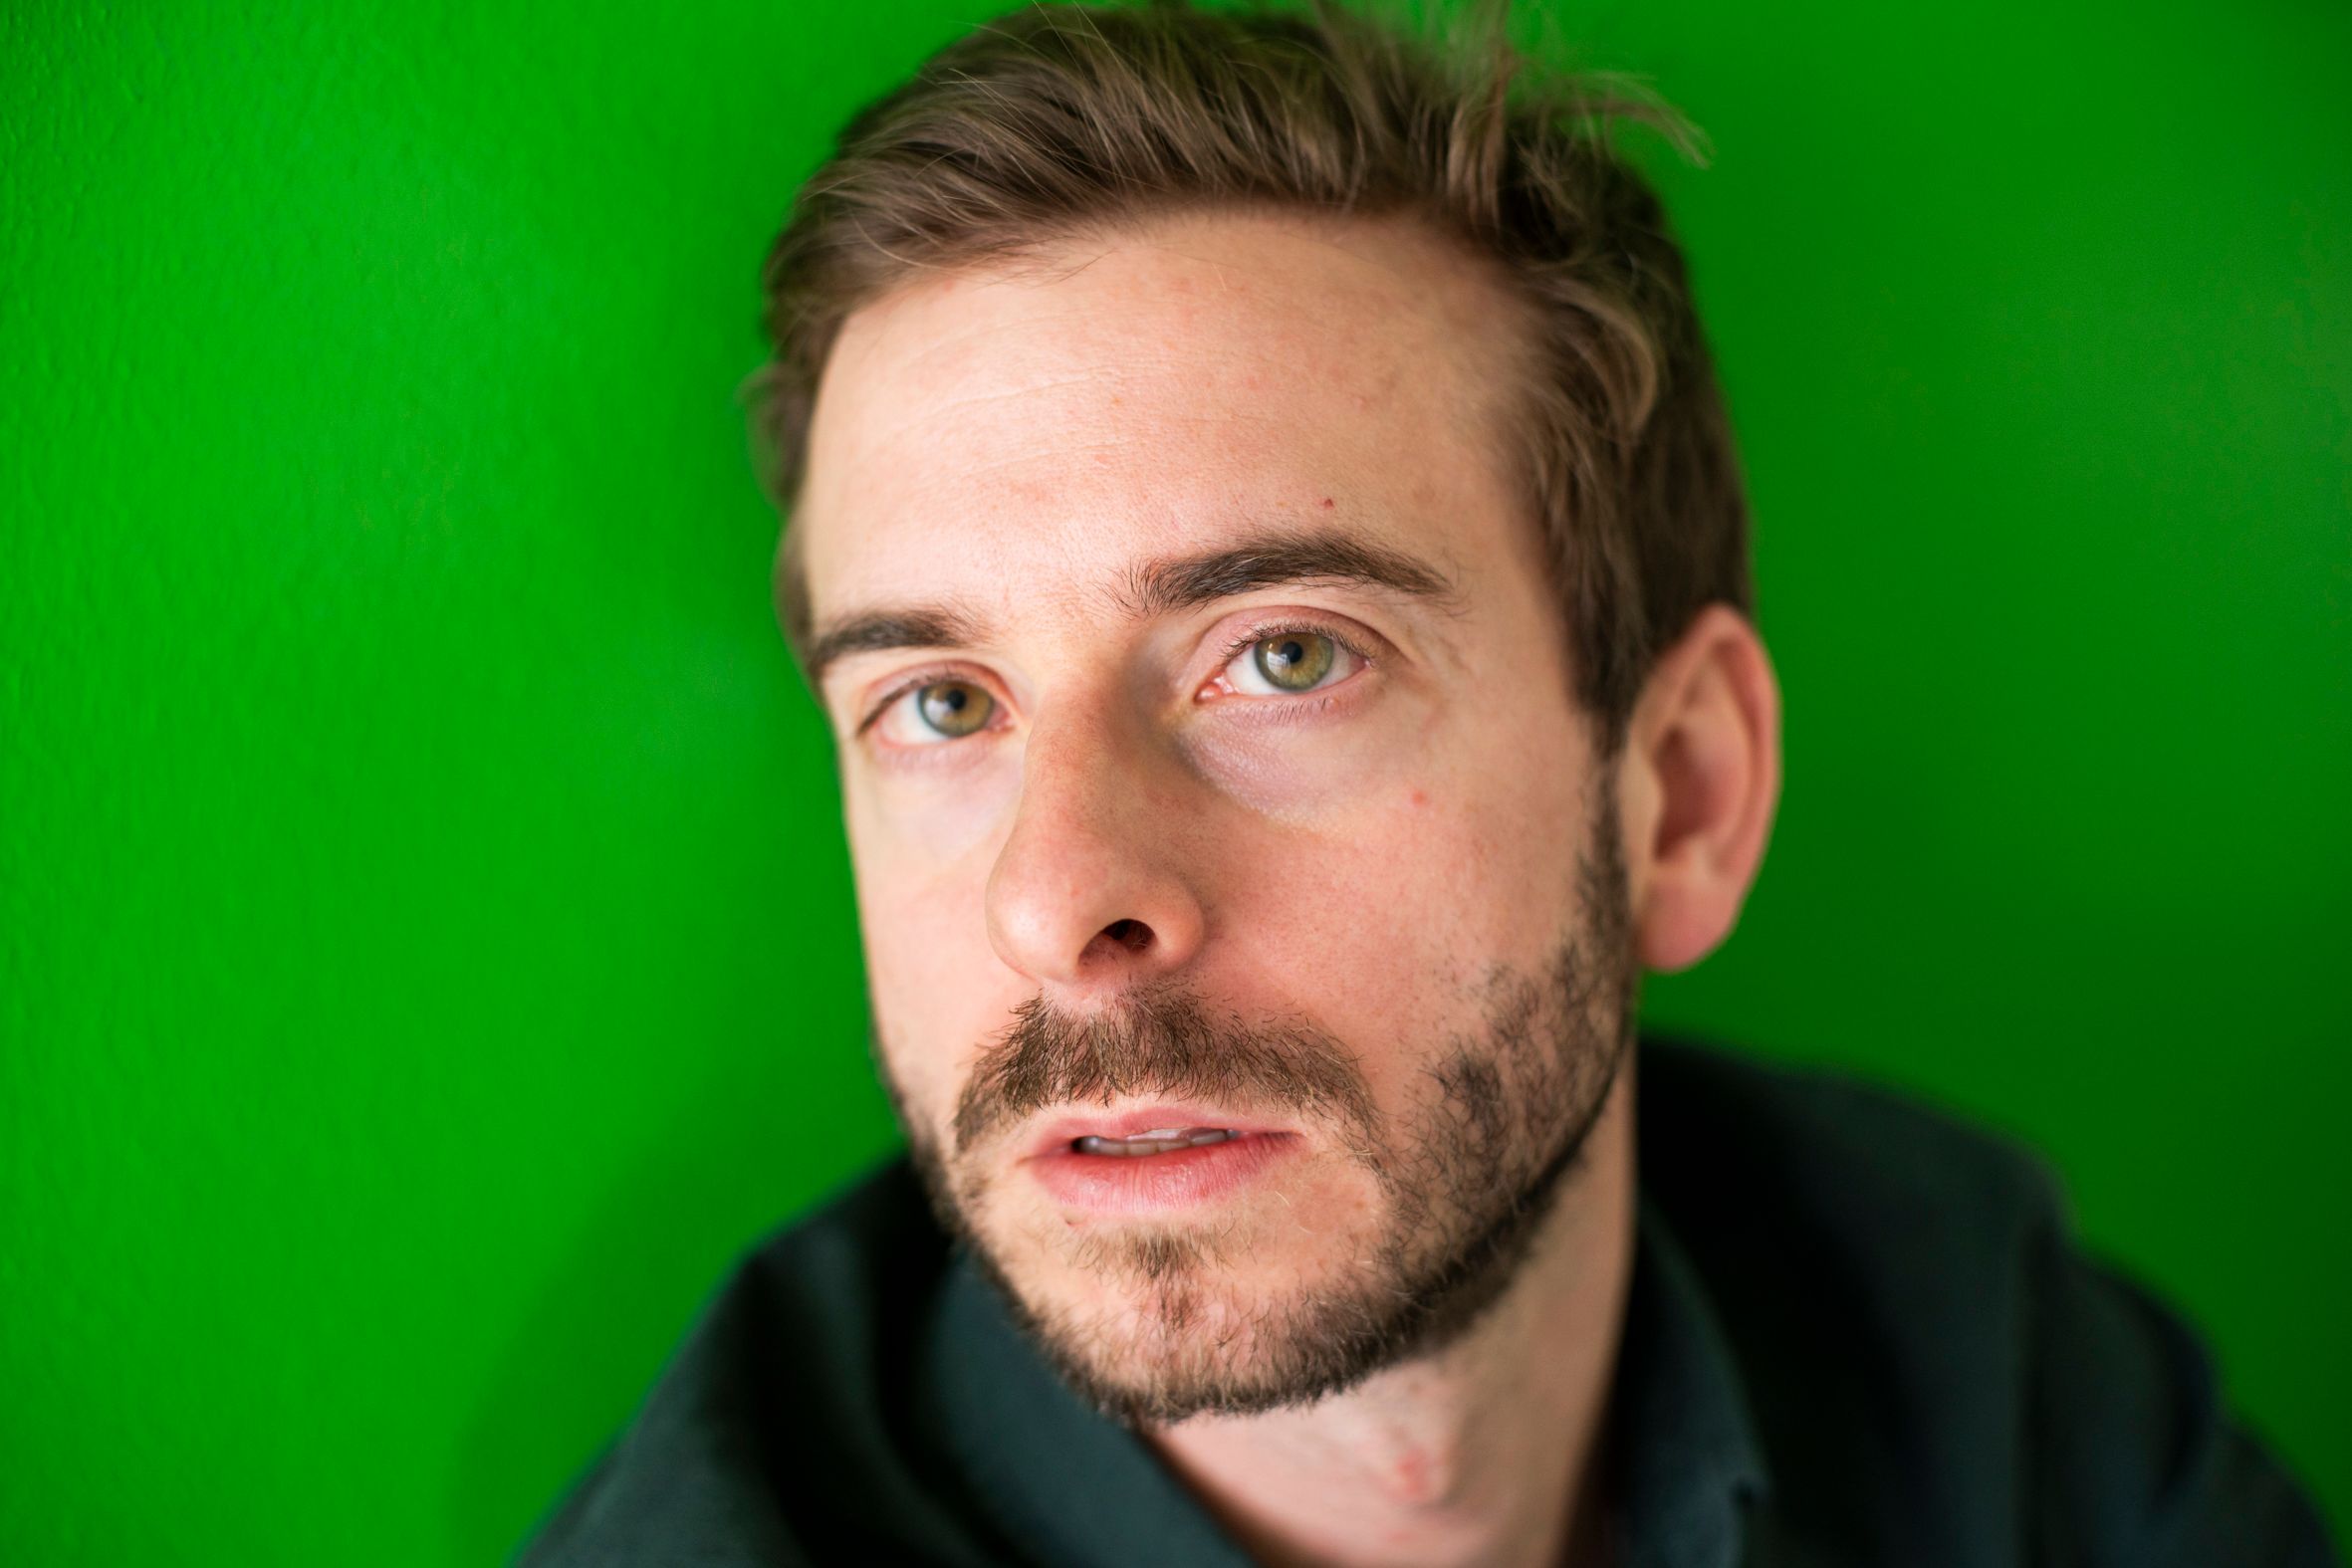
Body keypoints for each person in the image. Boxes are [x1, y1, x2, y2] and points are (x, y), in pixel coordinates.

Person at [519, 3, 2337, 1564]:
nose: (1055, 902)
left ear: (1681, 795)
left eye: (1283, 658)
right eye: (938, 702)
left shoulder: (1970, 1366)